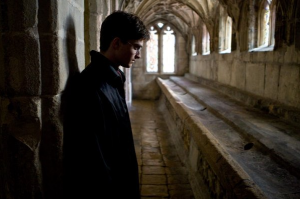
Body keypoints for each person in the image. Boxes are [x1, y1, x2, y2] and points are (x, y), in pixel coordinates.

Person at [62, 10, 150, 199]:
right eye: (136, 47)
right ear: (116, 43)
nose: (139, 55)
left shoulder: (112, 77)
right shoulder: (91, 87)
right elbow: (94, 161)